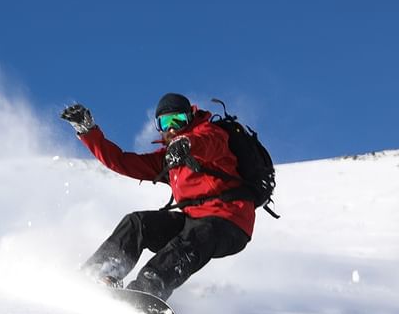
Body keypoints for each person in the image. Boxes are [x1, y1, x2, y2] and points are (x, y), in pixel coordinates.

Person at [59, 92, 253, 301]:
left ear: (190, 118)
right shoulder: (167, 159)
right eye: (165, 122)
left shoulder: (211, 134)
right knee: (137, 224)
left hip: (230, 221)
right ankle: (101, 273)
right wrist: (88, 132)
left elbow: (208, 143)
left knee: (189, 241)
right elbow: (122, 161)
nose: (172, 128)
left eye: (178, 120)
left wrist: (187, 145)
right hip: (194, 220)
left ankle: (146, 291)